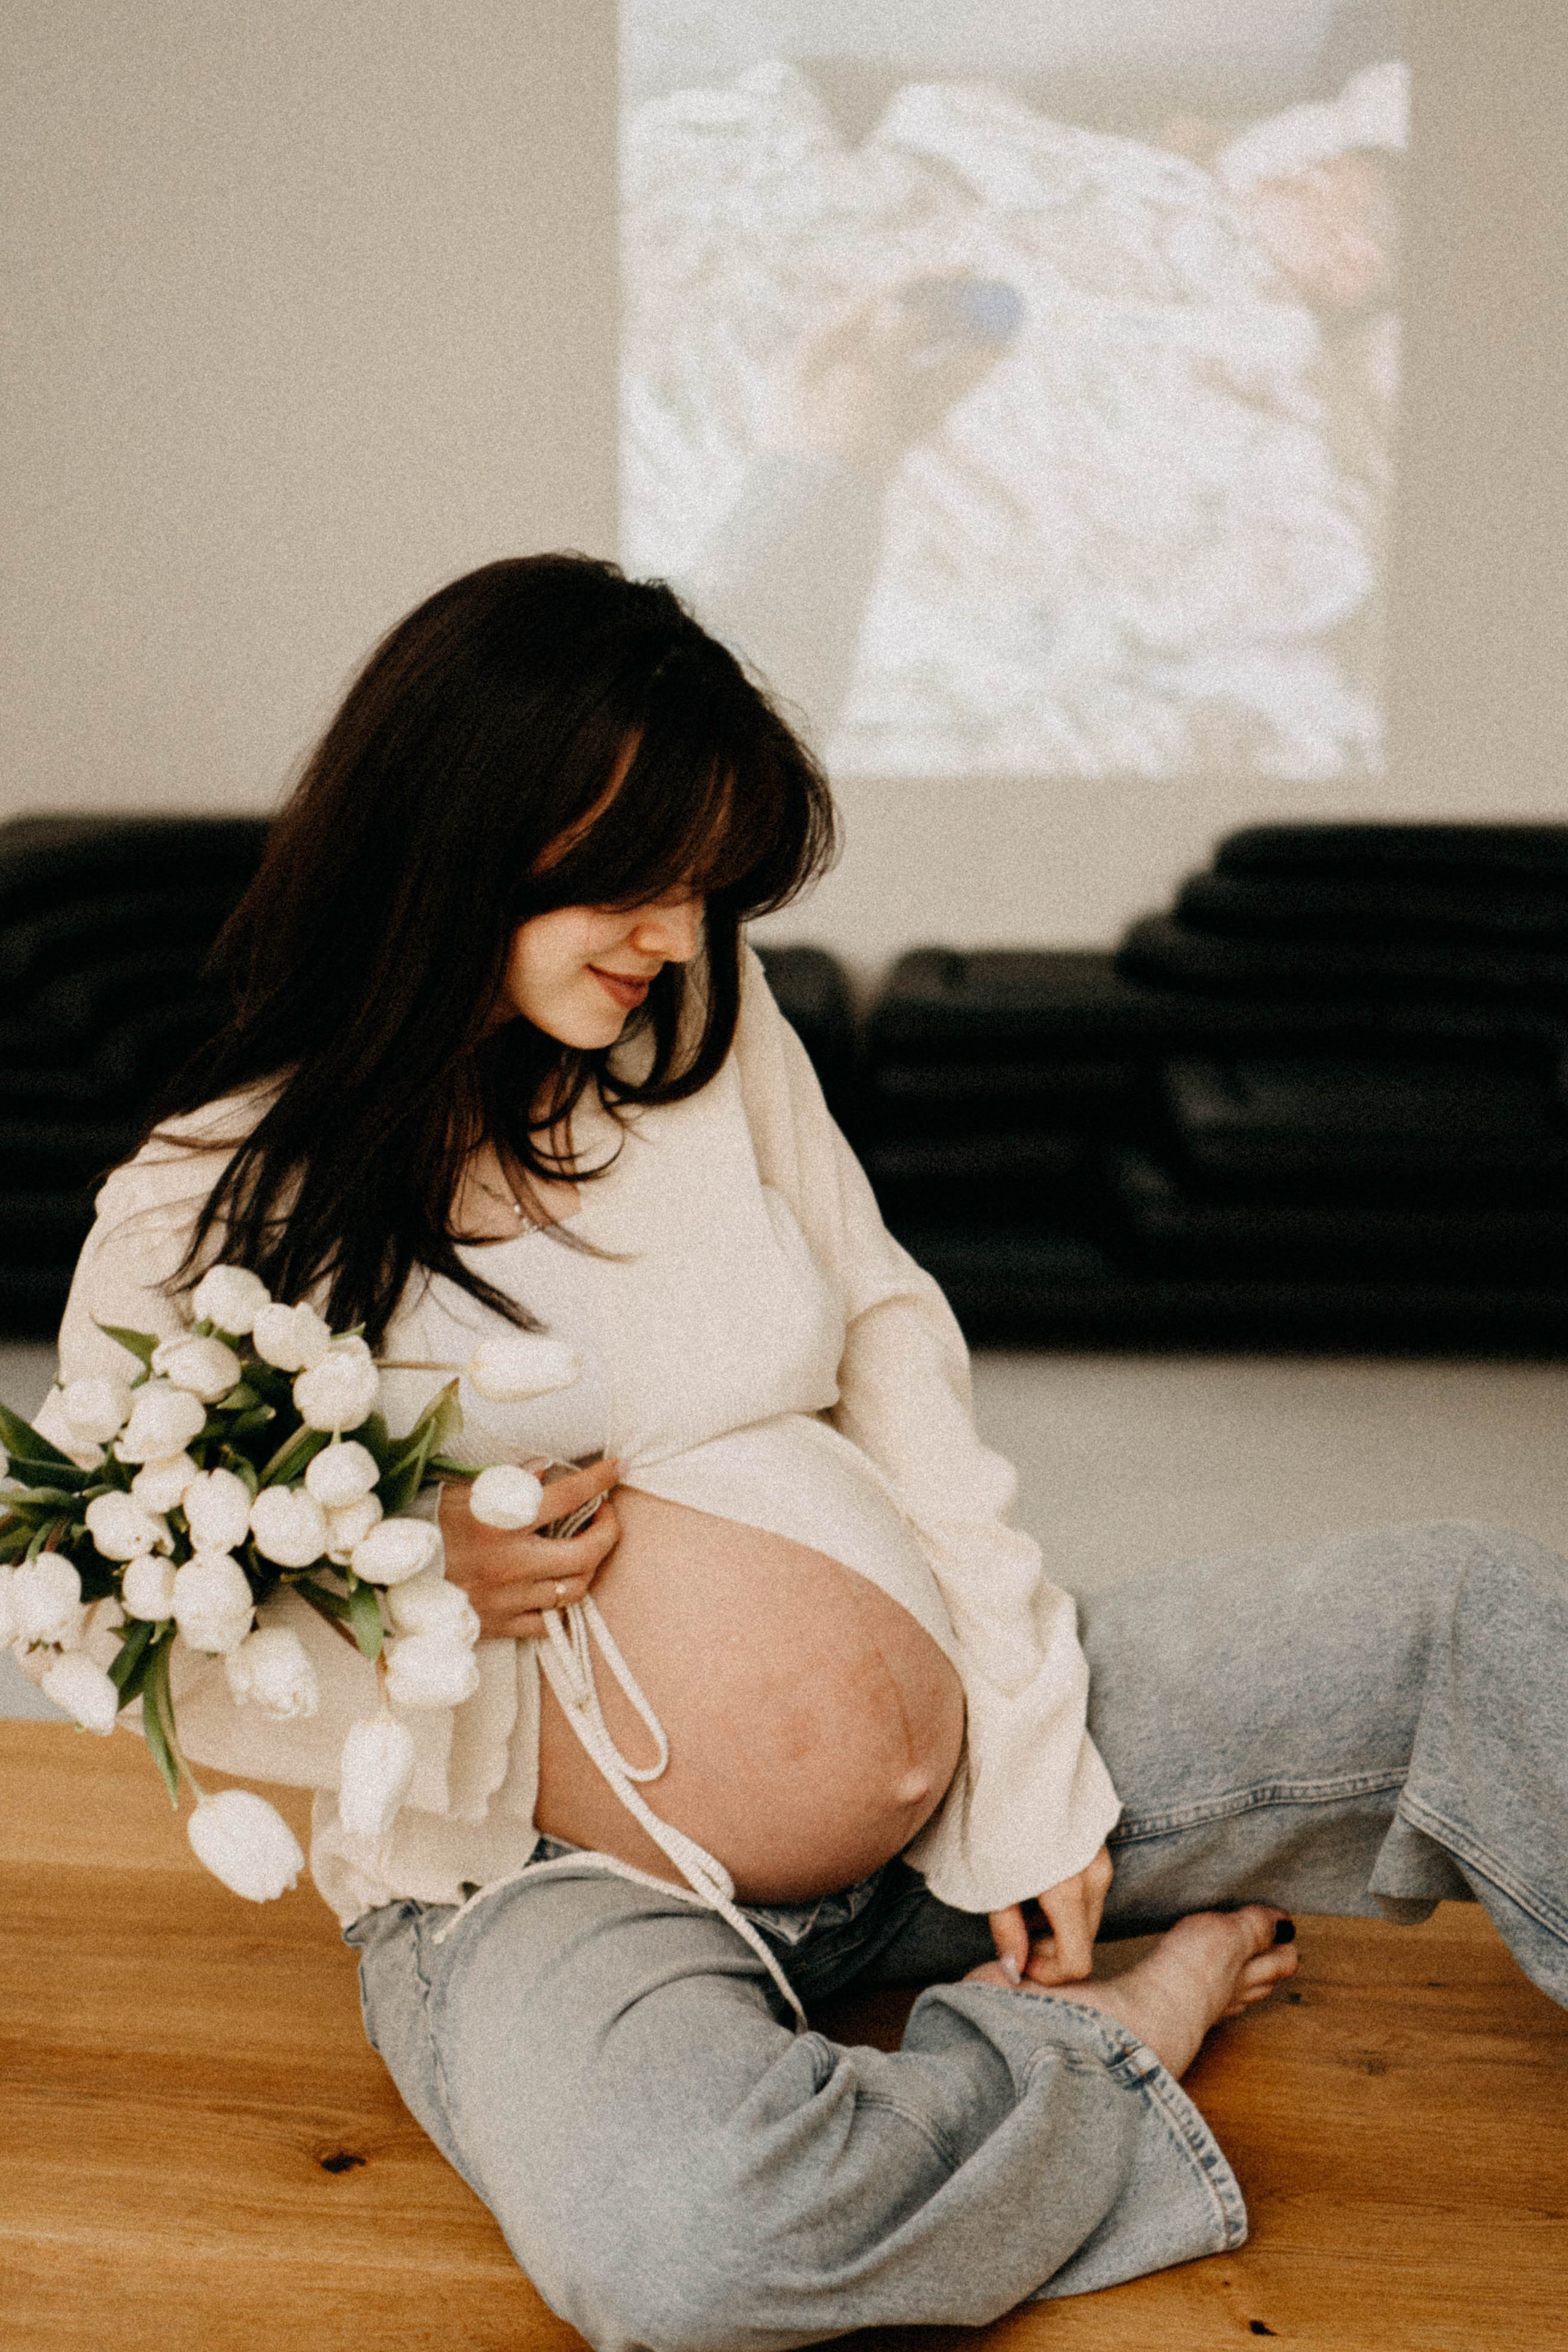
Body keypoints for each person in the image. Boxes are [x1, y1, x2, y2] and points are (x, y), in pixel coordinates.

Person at [40, 556, 1568, 2349]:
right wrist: (403, 1577)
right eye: (639, 880)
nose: (677, 940)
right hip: (559, 1893)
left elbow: (895, 1350)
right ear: (461, 831)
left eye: (706, 892)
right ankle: (1120, 2040)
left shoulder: (703, 1050)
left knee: (1473, 1617)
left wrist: (1019, 1763)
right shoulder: (201, 1215)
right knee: (689, 2231)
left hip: (961, 1824)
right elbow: (101, 1622)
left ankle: (1019, 2003)